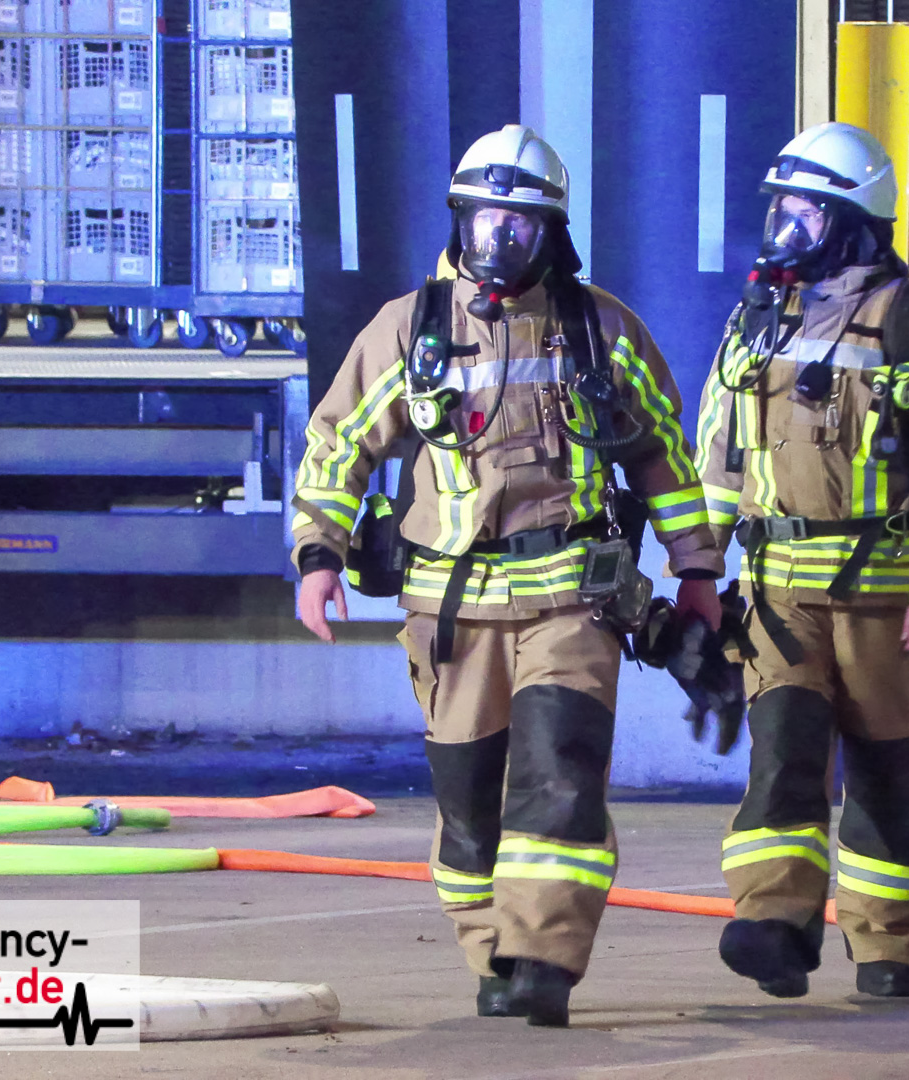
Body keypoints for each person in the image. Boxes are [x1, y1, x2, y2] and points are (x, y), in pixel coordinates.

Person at [291, 124, 723, 1027]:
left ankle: (545, 959)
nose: (500, 238)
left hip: (572, 601)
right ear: (459, 219)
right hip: (451, 613)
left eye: (520, 223)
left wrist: (696, 571)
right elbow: (339, 444)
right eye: (485, 219)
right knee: (469, 804)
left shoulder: (602, 330)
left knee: (561, 773)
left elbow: (664, 456)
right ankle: (492, 952)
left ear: (551, 231)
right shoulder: (409, 330)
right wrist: (318, 556)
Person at [694, 121, 909, 999]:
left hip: (882, 596)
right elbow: (719, 455)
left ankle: (889, 947)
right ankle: (774, 928)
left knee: (883, 773)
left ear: (852, 221)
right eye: (780, 208)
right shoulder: (758, 317)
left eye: (805, 211)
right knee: (782, 756)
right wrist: (699, 578)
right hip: (777, 591)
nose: (784, 225)